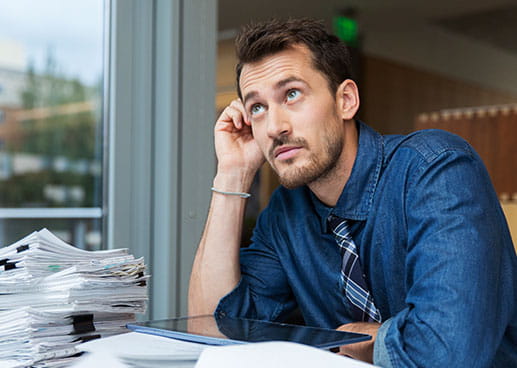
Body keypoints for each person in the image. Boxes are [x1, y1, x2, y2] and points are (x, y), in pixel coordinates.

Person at [188, 18, 516, 367]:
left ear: (345, 100)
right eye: (257, 107)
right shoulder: (286, 214)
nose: (274, 127)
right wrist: (232, 174)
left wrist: (363, 342)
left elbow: (447, 351)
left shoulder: (435, 169)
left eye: (292, 94)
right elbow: (213, 332)